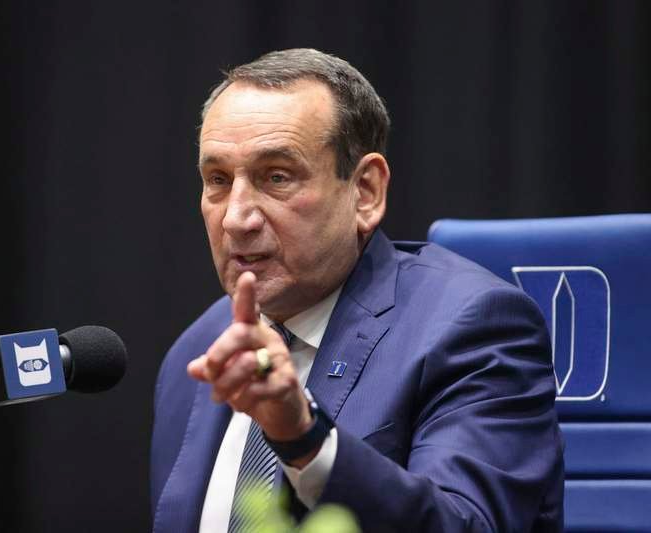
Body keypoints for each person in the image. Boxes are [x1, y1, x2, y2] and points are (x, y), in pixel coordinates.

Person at [151, 48, 564, 532]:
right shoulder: (197, 351)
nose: (236, 218)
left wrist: (305, 439)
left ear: (365, 191)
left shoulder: (473, 328)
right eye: (218, 180)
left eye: (277, 177)